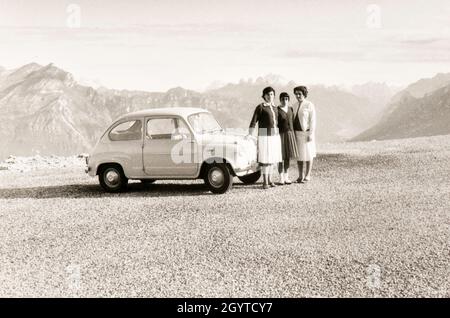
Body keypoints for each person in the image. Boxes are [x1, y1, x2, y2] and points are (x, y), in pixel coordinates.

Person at [248, 87, 282, 189]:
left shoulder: (275, 107)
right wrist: (250, 133)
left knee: (272, 159)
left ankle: (270, 180)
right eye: (267, 94)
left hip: (274, 136)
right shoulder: (261, 107)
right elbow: (254, 120)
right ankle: (265, 182)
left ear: (274, 96)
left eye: (271, 94)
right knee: (265, 159)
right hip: (264, 136)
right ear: (264, 96)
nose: (269, 96)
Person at [293, 86, 316, 182]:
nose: (298, 96)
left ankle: (307, 175)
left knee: (308, 154)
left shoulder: (309, 105)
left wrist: (311, 133)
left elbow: (313, 120)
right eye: (296, 94)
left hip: (306, 133)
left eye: (300, 94)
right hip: (297, 133)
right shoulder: (294, 105)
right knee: (300, 155)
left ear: (304, 94)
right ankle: (300, 175)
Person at [277, 92, 299, 185]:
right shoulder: (277, 110)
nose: (284, 101)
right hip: (280, 135)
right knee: (280, 157)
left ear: (288, 100)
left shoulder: (290, 109)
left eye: (286, 99)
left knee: (287, 157)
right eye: (282, 99)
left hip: (290, 134)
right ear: (280, 100)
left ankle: (286, 177)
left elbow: (293, 122)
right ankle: (281, 178)